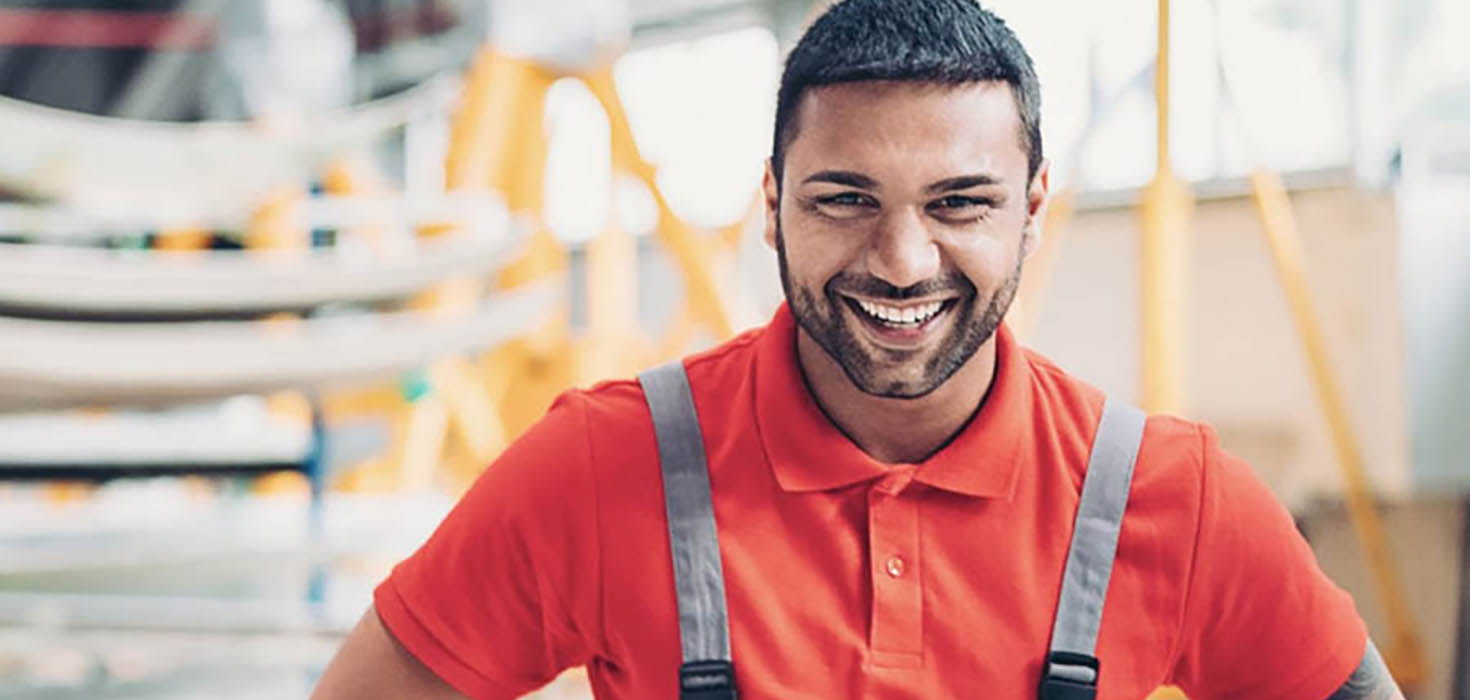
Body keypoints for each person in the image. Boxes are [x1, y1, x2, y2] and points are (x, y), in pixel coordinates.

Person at [312, 0, 1403, 697]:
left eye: (958, 202)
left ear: (1031, 207)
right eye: (846, 199)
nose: (901, 258)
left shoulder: (1171, 494)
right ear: (772, 203)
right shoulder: (610, 465)